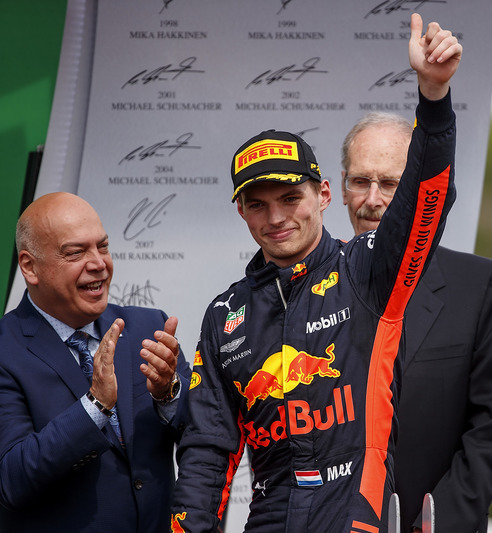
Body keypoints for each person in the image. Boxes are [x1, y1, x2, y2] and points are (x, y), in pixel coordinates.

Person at [170, 13, 460, 533]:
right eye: (257, 205)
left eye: (290, 198)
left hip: (354, 516)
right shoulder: (225, 315)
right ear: (241, 213)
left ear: (324, 195)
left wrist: (433, 98)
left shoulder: (368, 267)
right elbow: (206, 451)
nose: (276, 218)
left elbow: (424, 204)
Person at [340, 111, 492, 532]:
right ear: (341, 188)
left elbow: (488, 432)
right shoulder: (310, 291)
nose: (373, 199)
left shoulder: (483, 287)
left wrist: (436, 523)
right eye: (361, 181)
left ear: (417, 191)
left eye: (389, 184)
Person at [0, 192, 191, 533]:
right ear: (30, 267)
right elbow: (12, 478)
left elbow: (203, 436)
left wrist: (168, 394)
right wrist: (95, 406)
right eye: (76, 253)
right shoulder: (6, 348)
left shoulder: (149, 327)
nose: (99, 263)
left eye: (102, 247)